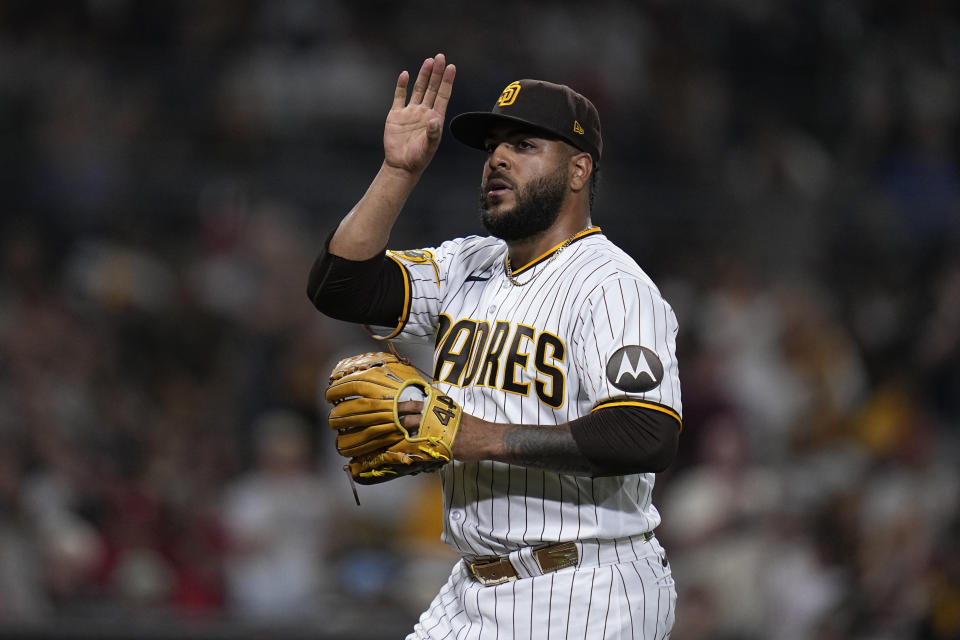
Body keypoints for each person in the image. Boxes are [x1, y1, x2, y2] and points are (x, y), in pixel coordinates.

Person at [307, 53, 682, 639]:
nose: (498, 158)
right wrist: (398, 172)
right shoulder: (466, 263)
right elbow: (341, 286)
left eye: (525, 144)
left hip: (589, 588)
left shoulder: (614, 286)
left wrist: (473, 436)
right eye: (493, 146)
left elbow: (644, 433)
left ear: (579, 170)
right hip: (473, 587)